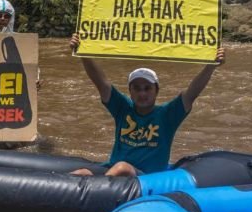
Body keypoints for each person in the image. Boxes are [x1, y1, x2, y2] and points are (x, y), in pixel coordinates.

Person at [69, 33, 225, 176]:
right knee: (81, 173)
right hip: (113, 170)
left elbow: (192, 93)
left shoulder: (167, 115)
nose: (142, 94)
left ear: (156, 91)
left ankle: (97, 195)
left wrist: (211, 66)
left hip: (145, 179)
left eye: (147, 88)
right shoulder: (123, 108)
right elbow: (100, 82)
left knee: (123, 168)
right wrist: (83, 53)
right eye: (136, 88)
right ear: (130, 91)